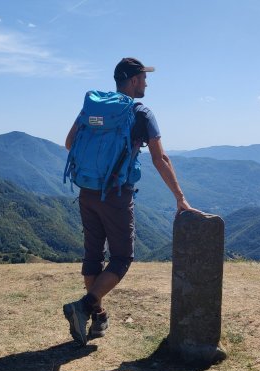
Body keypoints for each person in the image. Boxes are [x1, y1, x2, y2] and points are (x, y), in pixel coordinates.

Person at [62, 57, 199, 346]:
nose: (147, 83)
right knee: (122, 257)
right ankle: (84, 307)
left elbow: (69, 142)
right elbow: (160, 158)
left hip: (86, 190)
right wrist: (180, 198)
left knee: (93, 255)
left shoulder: (93, 107)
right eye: (144, 78)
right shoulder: (141, 113)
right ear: (134, 80)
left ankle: (97, 319)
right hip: (116, 193)